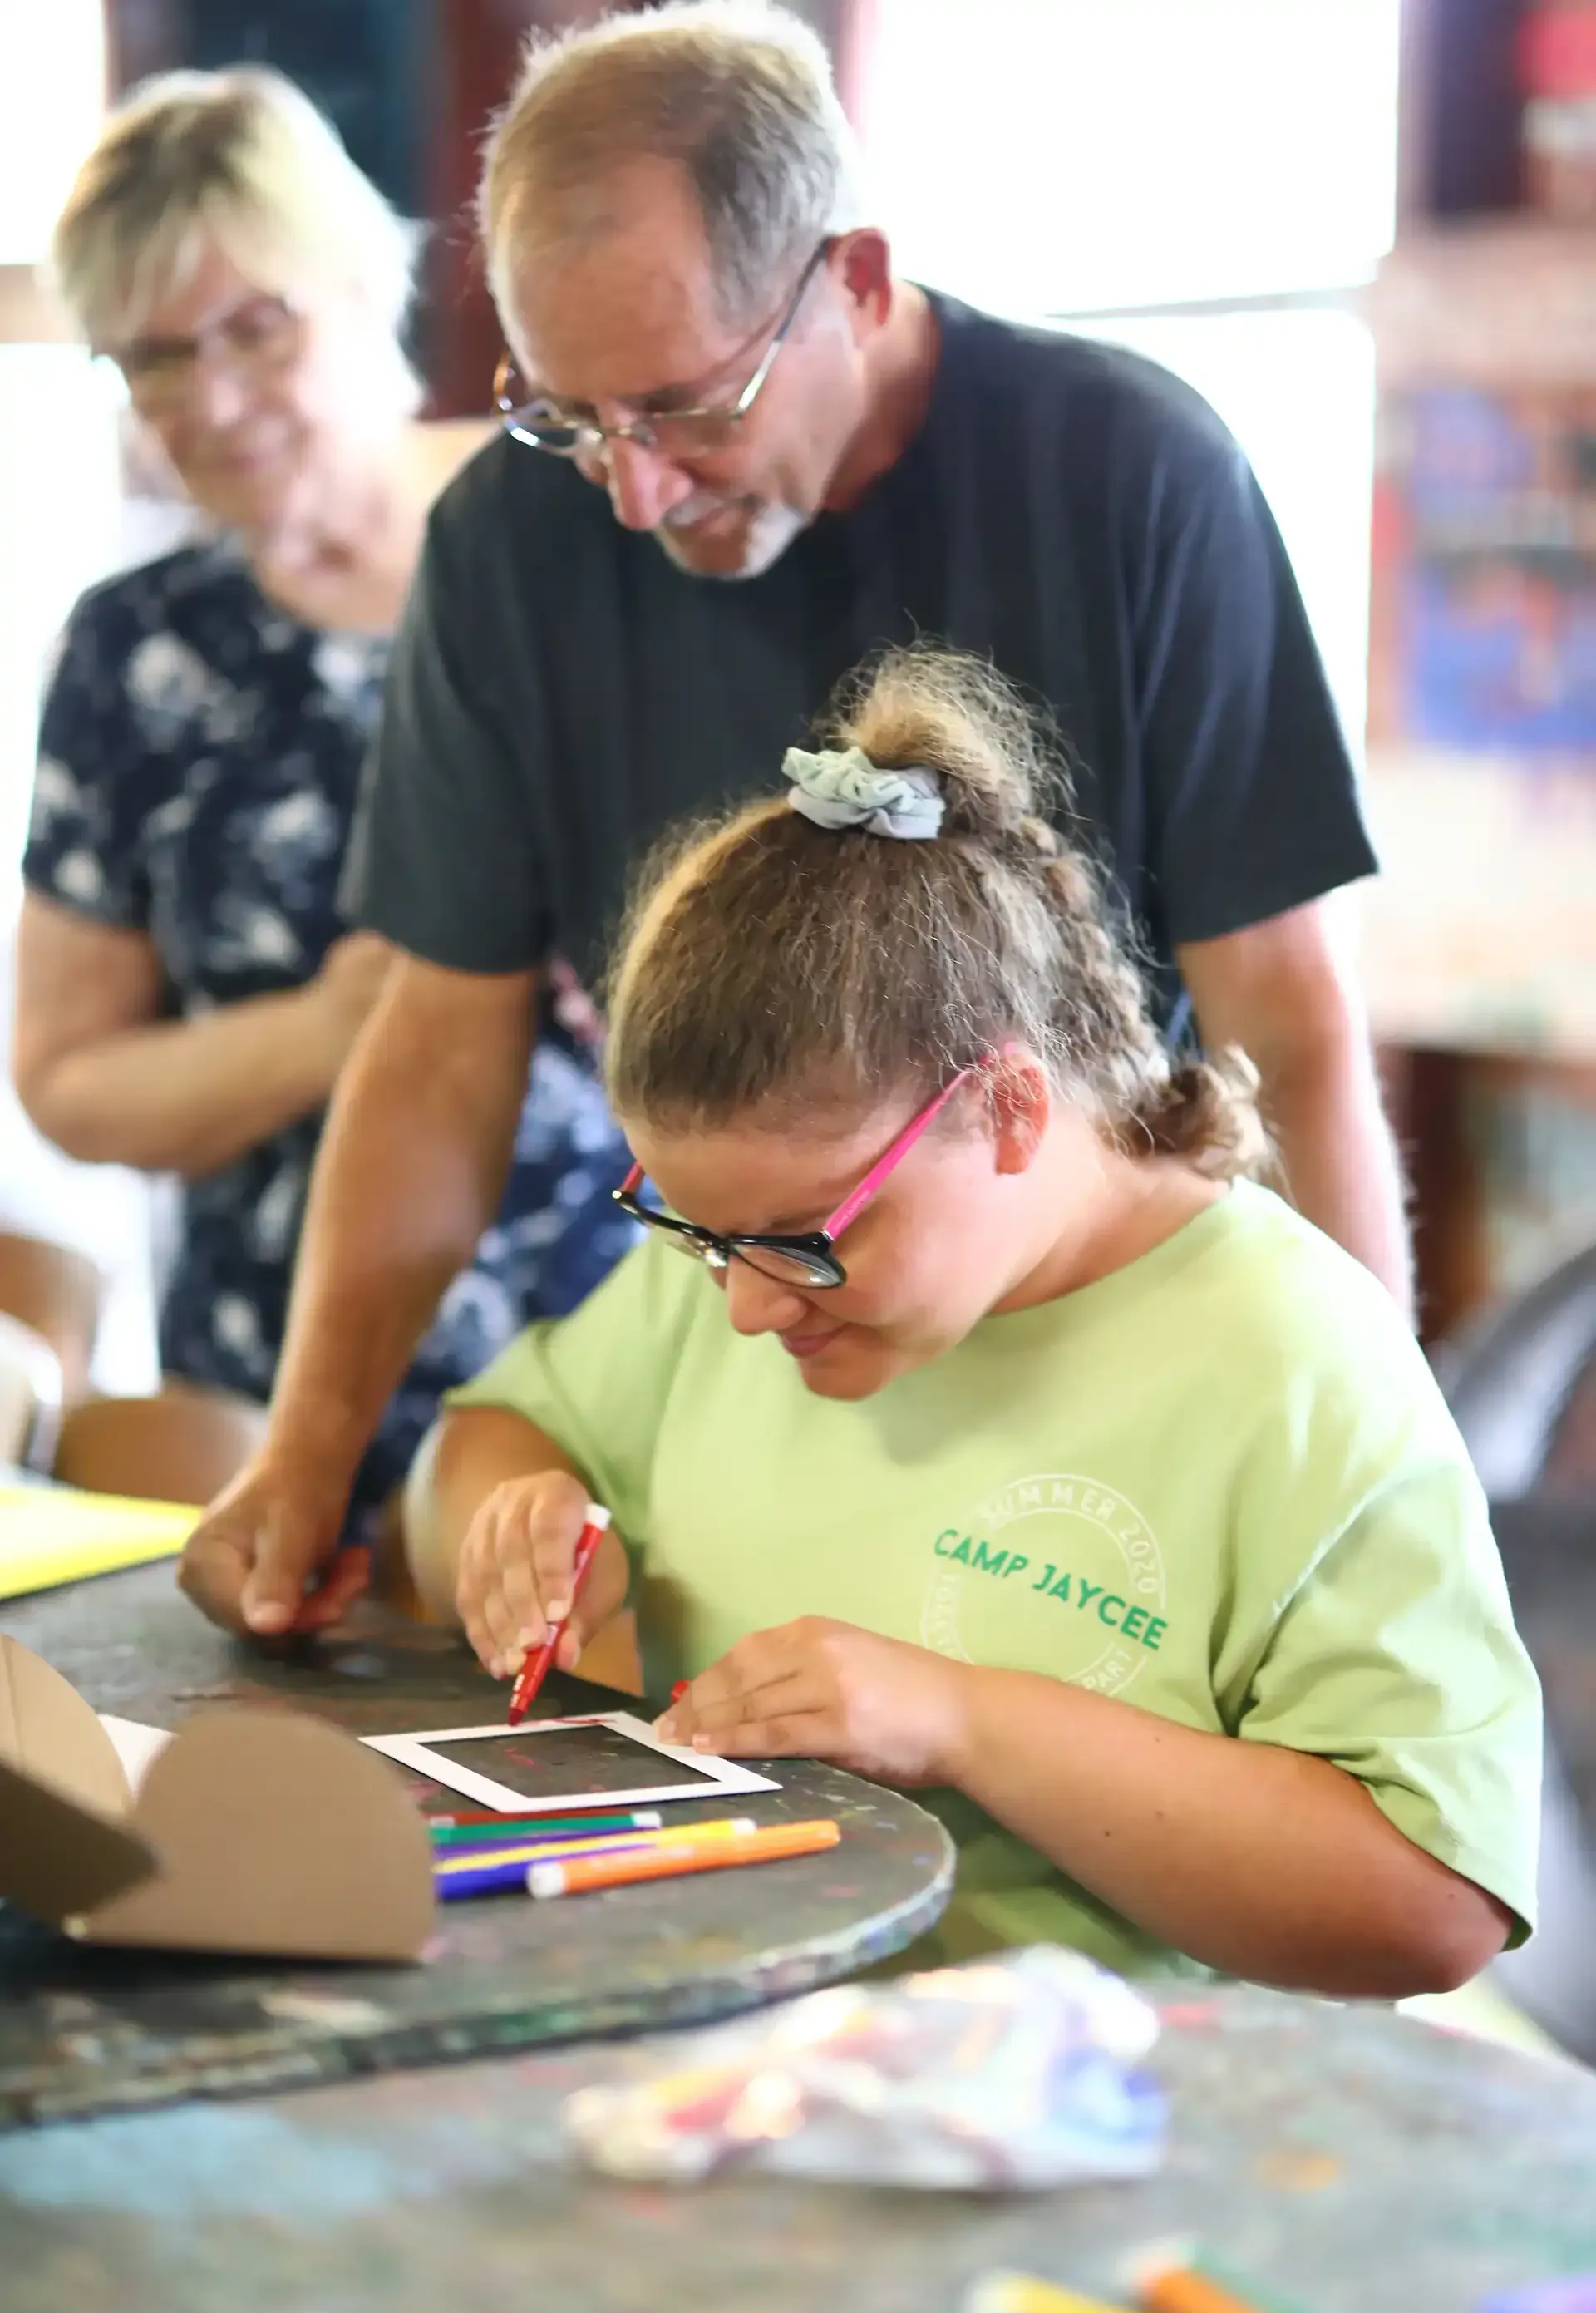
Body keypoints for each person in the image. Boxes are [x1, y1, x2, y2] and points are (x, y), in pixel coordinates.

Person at [180, 0, 1411, 1637]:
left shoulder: (1130, 475)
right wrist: (306, 1449)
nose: (633, 489)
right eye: (568, 414)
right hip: (747, 1327)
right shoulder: (509, 538)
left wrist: (1385, 1464)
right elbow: (439, 1041)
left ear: (858, 279)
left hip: (1094, 1342)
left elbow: (1287, 1020)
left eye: (686, 406)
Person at [403, 646, 1540, 1996]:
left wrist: (966, 1723)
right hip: (723, 2046)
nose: (747, 1308)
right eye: (694, 1232)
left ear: (1005, 1108)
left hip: (1082, 2116)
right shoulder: (741, 1251)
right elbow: (488, 1436)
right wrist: (514, 1514)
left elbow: (1429, 1909)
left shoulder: (1294, 1365)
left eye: (808, 1243)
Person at [14, 68, 634, 1560]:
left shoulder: (586, 540)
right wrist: (356, 1020)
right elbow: (70, 1085)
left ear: (369, 282)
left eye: (255, 327)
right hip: (280, 1394)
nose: (210, 399)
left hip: (631, 1350)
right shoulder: (134, 653)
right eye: (153, 358)